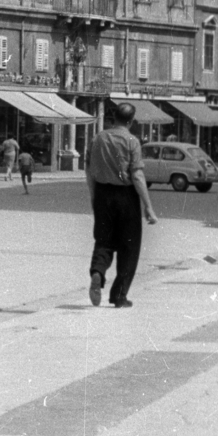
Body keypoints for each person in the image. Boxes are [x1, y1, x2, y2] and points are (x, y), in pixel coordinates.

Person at [85, 100, 158, 308]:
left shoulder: (97, 138)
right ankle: (119, 295)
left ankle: (98, 272)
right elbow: (137, 175)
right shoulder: (132, 141)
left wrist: (93, 196)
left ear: (113, 117)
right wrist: (148, 206)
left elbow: (89, 171)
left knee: (103, 240)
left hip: (102, 194)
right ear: (131, 121)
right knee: (129, 246)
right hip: (126, 197)